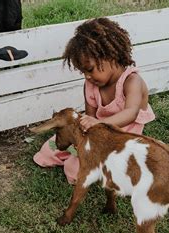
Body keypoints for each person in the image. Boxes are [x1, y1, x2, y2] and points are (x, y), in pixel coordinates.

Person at [34, 17, 155, 184]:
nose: (87, 76)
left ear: (111, 56)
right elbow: (89, 115)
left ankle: (100, 167)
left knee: (74, 169)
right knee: (50, 149)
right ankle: (78, 158)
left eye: (90, 69)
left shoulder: (132, 81)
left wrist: (99, 124)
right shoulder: (91, 84)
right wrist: (81, 134)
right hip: (97, 134)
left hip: (122, 139)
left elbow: (131, 113)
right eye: (83, 72)